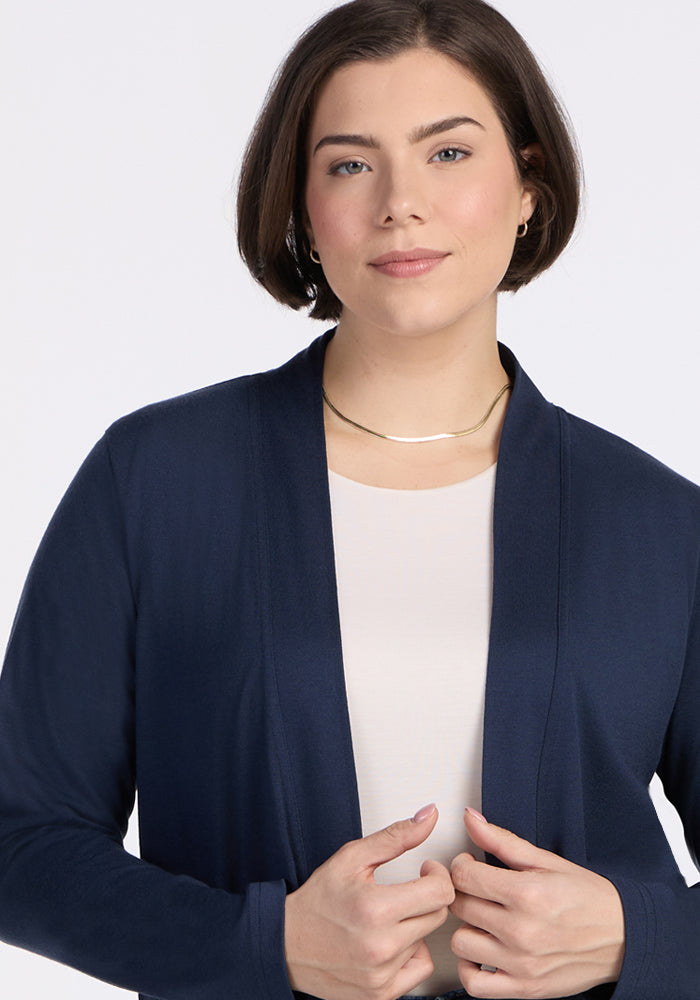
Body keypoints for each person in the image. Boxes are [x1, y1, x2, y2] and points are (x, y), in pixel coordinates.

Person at [0, 1, 698, 999]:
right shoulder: (153, 483)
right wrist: (263, 943)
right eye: (348, 163)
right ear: (301, 207)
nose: (398, 203)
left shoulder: (657, 526)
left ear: (528, 186)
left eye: (448, 154)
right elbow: (21, 837)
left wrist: (642, 933)